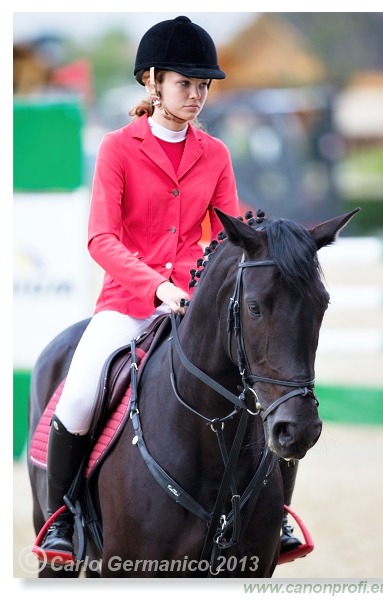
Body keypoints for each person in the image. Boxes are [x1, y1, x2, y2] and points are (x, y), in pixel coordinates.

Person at [36, 15, 300, 564]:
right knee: (80, 392)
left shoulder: (216, 153)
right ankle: (61, 518)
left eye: (204, 86)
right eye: (186, 84)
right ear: (152, 81)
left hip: (199, 304)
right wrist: (157, 287)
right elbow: (101, 238)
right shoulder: (117, 148)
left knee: (274, 390)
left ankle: (275, 517)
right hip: (128, 303)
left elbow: (233, 232)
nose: (197, 95)